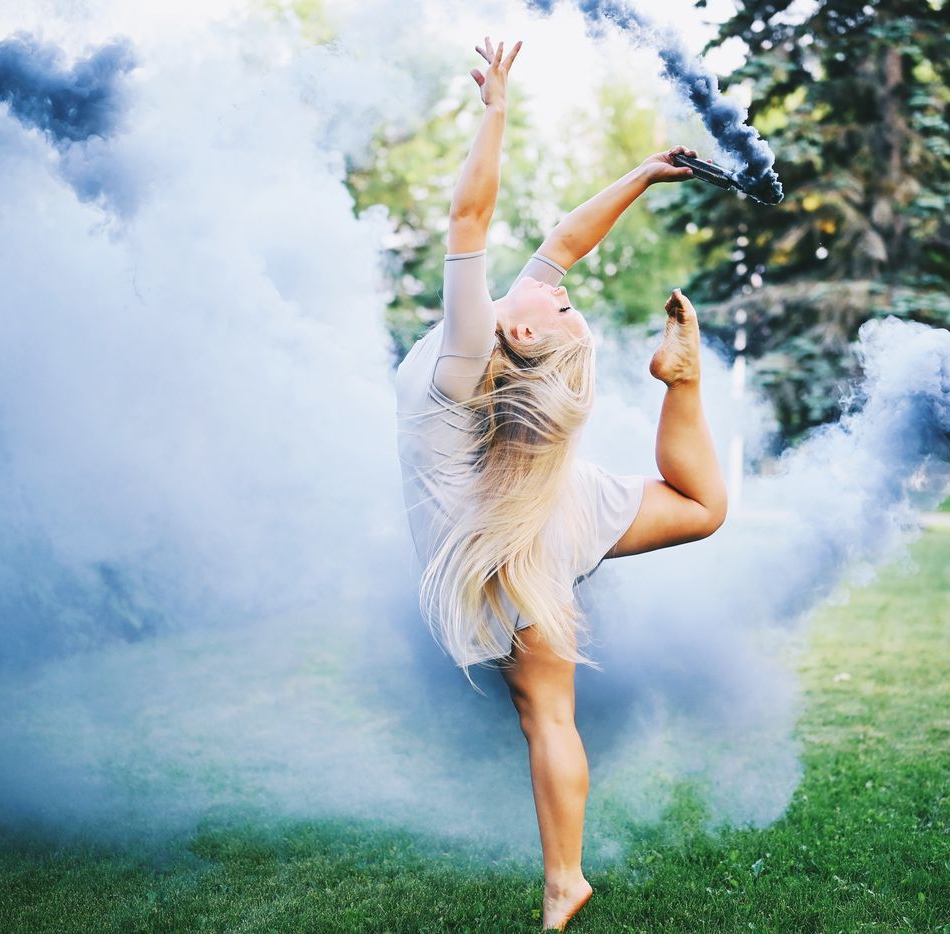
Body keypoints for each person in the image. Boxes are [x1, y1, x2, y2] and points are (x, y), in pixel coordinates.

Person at [394, 36, 728, 931]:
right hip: (531, 509)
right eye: (568, 299)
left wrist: (496, 109)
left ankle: (565, 883)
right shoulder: (500, 339)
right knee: (701, 508)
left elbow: (471, 221)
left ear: (530, 338)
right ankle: (682, 386)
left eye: (562, 304)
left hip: (504, 532)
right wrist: (641, 175)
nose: (558, 287)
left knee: (544, 714)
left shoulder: (472, 351)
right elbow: (560, 243)